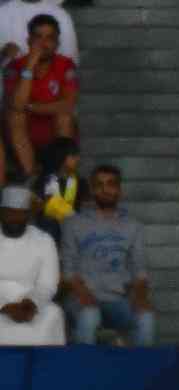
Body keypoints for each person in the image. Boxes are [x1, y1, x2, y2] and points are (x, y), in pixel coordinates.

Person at [60, 165, 155, 346]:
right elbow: (68, 271)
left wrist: (141, 298)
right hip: (81, 298)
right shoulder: (73, 223)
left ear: (119, 189)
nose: (105, 189)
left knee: (146, 317)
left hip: (117, 300)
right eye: (99, 184)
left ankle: (141, 371)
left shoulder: (133, 226)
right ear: (92, 189)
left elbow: (140, 271)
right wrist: (84, 296)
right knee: (90, 315)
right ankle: (85, 370)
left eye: (111, 184)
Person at [3, 13, 77, 179]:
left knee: (64, 116)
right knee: (14, 116)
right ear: (29, 41)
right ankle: (31, 178)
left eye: (50, 38)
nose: (44, 43)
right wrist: (29, 66)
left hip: (52, 129)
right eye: (38, 37)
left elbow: (68, 104)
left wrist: (31, 107)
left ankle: (60, 176)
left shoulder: (65, 65)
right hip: (22, 133)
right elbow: (16, 104)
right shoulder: (15, 66)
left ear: (57, 43)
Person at [0, 185, 63, 345]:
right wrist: (4, 306)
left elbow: (47, 285)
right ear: (2, 213)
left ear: (28, 215)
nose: (15, 218)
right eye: (10, 213)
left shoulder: (44, 240)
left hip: (30, 303)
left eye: (20, 213)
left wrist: (32, 303)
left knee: (54, 314)